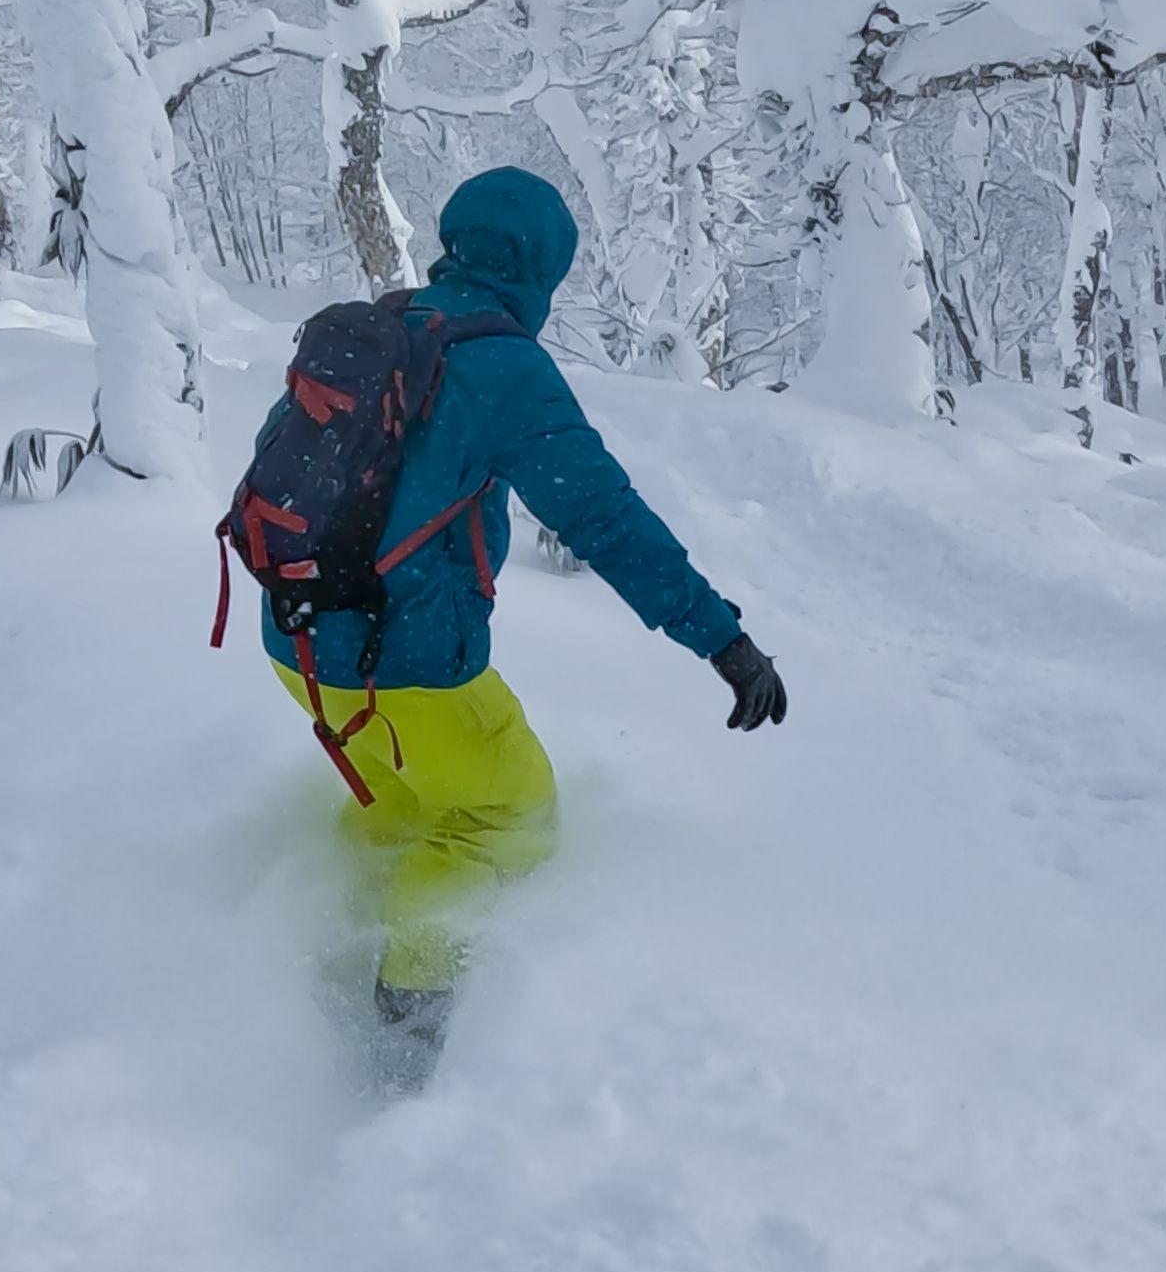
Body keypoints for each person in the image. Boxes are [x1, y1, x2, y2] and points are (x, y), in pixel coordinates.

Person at [253, 165, 784, 1087]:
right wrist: (721, 640)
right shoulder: (503, 368)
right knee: (503, 817)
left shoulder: (376, 331)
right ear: (540, 271)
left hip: (296, 640)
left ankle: (319, 946)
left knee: (402, 804)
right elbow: (605, 520)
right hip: (411, 665)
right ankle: (404, 1029)